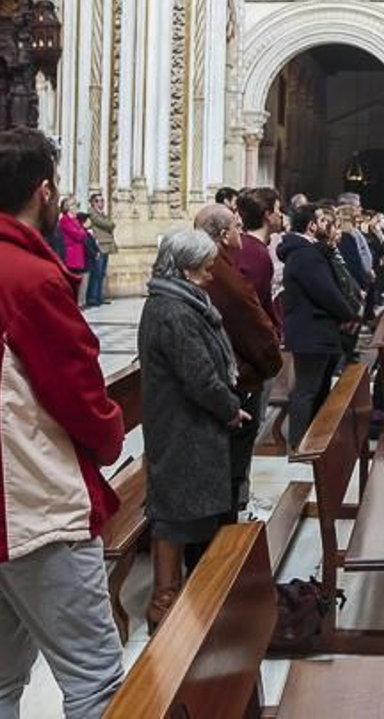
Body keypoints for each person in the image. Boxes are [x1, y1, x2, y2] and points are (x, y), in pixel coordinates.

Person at [0, 127, 126, 718]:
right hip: (33, 509)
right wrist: (108, 432)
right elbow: (79, 390)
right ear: (45, 190)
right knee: (95, 679)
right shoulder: (26, 277)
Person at [139, 228, 252, 630]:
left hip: (187, 421)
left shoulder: (177, 301)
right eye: (204, 268)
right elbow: (199, 375)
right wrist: (229, 409)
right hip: (182, 424)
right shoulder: (173, 312)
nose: (210, 275)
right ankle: (164, 603)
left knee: (190, 506)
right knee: (175, 511)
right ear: (185, 270)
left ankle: (199, 594)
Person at [192, 204, 280, 516]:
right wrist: (270, 362)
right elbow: (249, 323)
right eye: (237, 227)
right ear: (223, 235)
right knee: (233, 460)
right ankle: (230, 523)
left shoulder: (217, 267)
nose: (241, 233)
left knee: (232, 461)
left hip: (233, 376)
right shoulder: (220, 273)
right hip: (238, 380)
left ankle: (233, 510)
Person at [278, 204, 359, 449]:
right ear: (311, 226)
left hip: (315, 330)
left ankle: (314, 440)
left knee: (317, 387)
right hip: (311, 331)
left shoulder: (307, 251)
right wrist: (348, 313)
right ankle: (300, 444)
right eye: (321, 221)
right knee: (307, 389)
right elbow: (326, 292)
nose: (326, 225)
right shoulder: (305, 254)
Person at [235, 187, 282, 333]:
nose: (281, 215)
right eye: (278, 210)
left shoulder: (244, 244)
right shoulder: (256, 253)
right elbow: (253, 305)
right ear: (267, 215)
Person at [84, 193, 117, 307]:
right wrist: (110, 224)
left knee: (101, 273)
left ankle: (99, 296)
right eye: (97, 201)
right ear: (92, 203)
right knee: (96, 273)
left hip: (105, 245)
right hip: (99, 245)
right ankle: (92, 298)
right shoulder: (92, 213)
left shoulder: (101, 213)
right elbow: (107, 224)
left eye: (102, 201)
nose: (100, 203)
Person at [58, 200, 91, 307]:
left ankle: (78, 303)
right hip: (71, 255)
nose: (77, 208)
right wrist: (84, 229)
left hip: (78, 254)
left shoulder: (75, 220)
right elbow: (78, 235)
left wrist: (82, 231)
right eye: (75, 206)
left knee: (78, 280)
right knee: (72, 281)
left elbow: (81, 234)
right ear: (69, 208)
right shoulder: (65, 220)